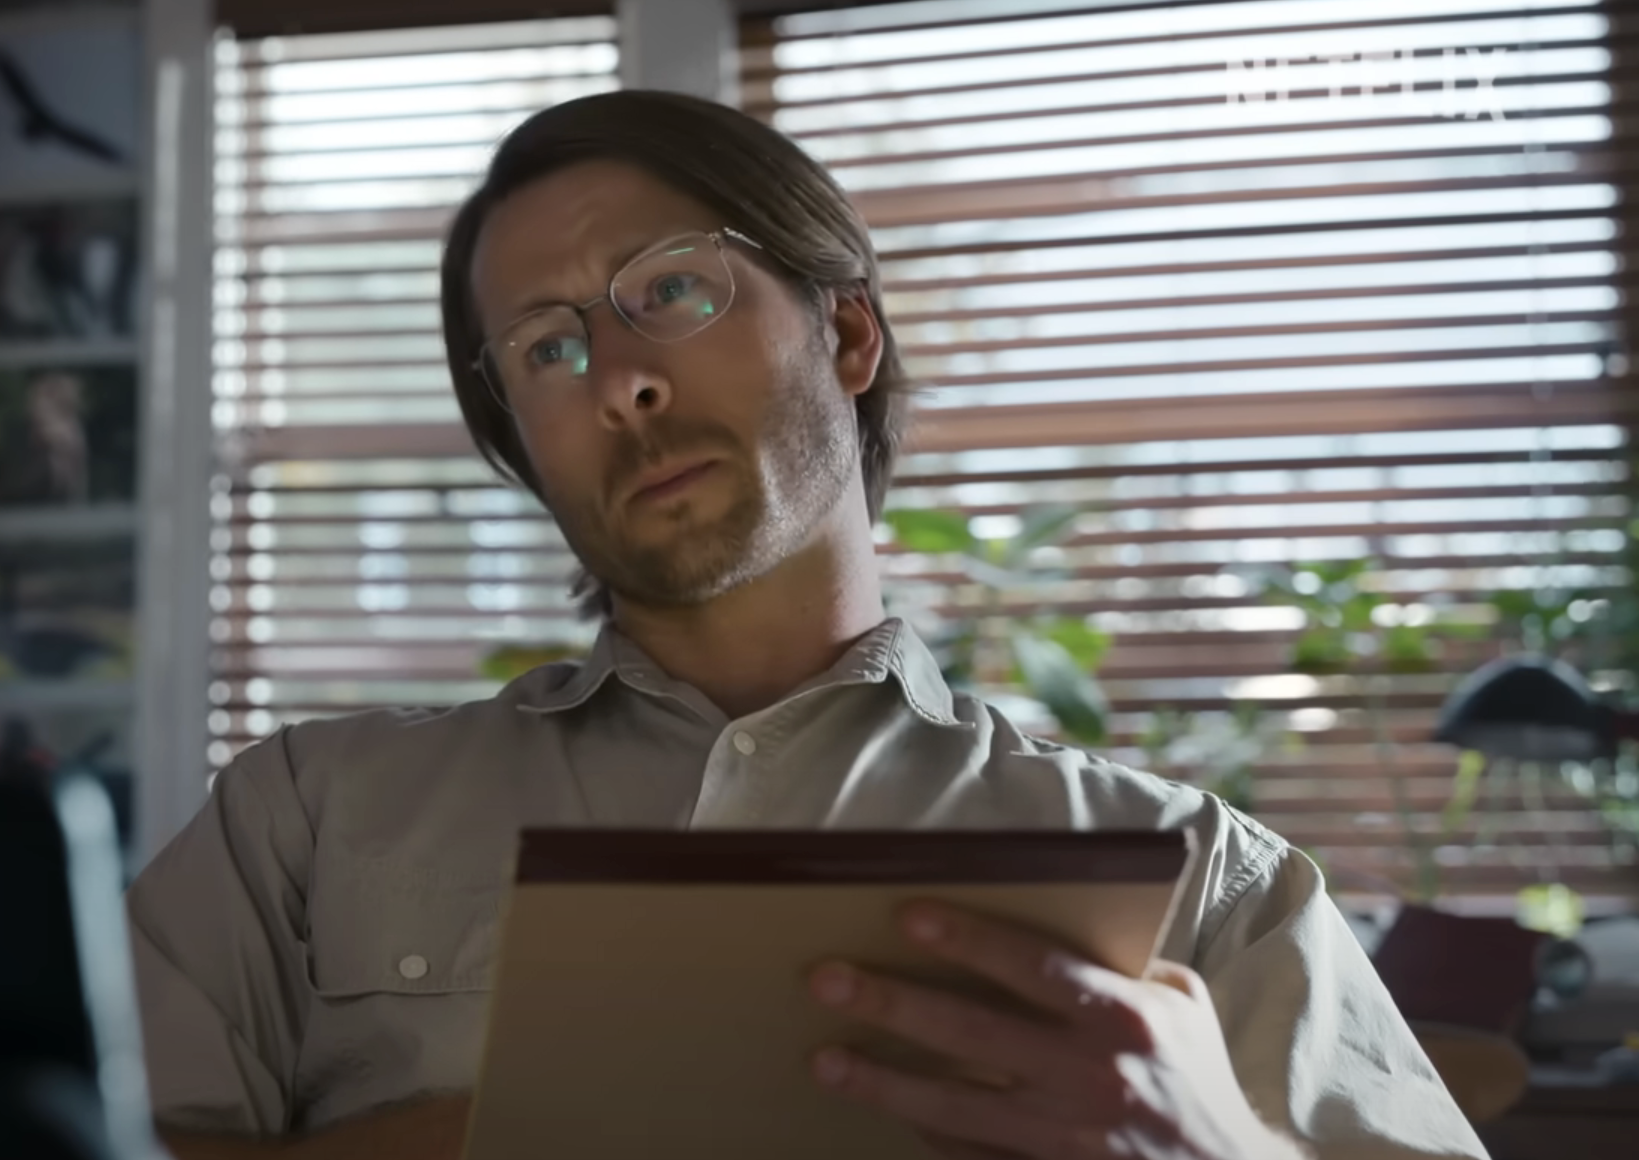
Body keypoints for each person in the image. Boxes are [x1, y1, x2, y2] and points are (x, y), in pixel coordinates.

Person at [125, 90, 1484, 1160]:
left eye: (671, 289)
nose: (620, 385)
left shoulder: (1198, 883)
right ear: (520, 451)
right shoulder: (297, 823)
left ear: (846, 336)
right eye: (547, 349)